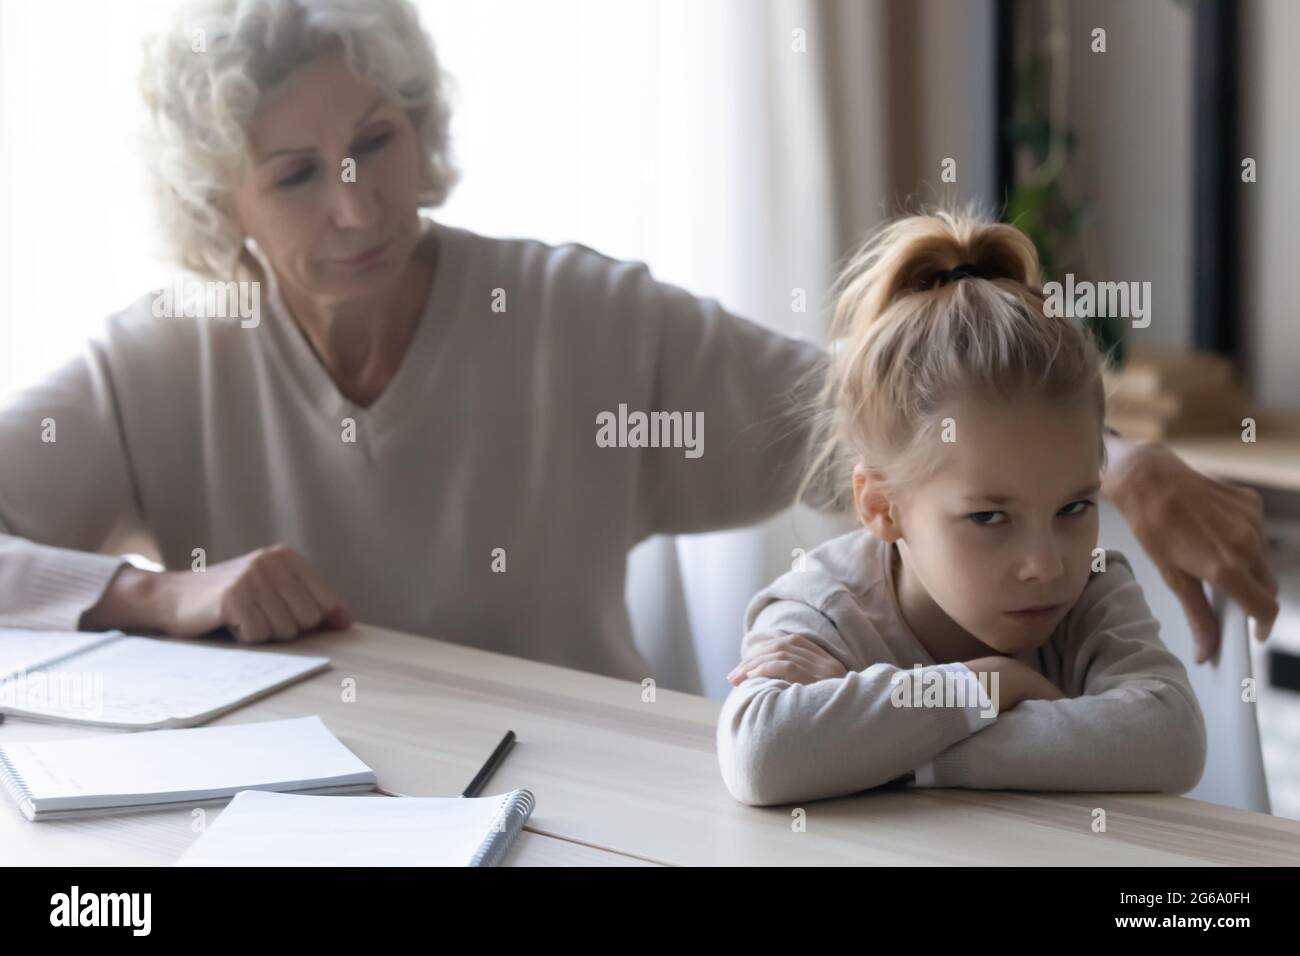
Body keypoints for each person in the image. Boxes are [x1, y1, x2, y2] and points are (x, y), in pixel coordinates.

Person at [0, 0, 1276, 683]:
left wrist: (1116, 463)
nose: (356, 203)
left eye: (374, 143)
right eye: (294, 173)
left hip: (570, 802)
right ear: (214, 203)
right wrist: (161, 594)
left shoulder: (571, 313)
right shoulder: (160, 360)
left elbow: (880, 416)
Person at [719, 212, 1205, 805]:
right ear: (881, 505)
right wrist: (995, 684)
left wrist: (881, 748)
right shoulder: (824, 608)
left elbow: (1171, 739)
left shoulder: (1092, 592)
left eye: (1074, 507)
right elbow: (764, 756)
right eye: (990, 518)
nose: (1047, 565)